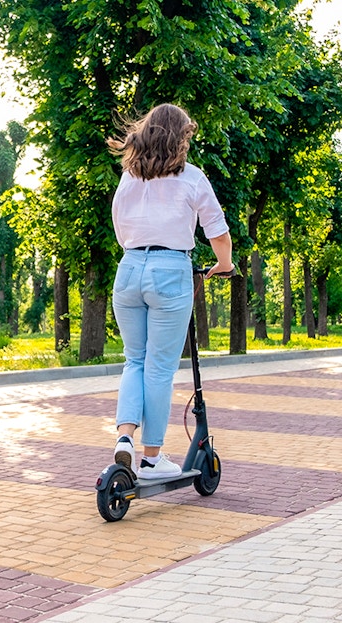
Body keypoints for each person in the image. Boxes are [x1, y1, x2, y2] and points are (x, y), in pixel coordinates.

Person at [106, 103, 234, 480]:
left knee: (135, 361)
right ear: (180, 139)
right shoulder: (192, 178)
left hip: (128, 269)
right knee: (159, 369)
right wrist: (223, 264)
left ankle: (125, 438)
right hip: (170, 270)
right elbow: (217, 231)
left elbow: (119, 227)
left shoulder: (129, 177)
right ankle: (151, 459)